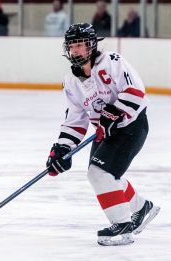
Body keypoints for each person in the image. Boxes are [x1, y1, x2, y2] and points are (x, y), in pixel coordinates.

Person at [45, 23, 160, 246]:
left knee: (100, 174)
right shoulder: (71, 82)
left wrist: (115, 112)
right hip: (106, 132)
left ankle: (123, 226)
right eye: (72, 46)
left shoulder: (112, 61)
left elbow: (136, 92)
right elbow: (76, 120)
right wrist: (62, 148)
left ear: (92, 46)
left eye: (81, 45)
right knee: (102, 174)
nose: (76, 50)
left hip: (131, 126)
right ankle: (140, 207)